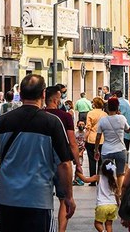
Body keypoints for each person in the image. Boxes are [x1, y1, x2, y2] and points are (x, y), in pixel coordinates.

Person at [0, 75, 75, 232]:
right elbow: (64, 164)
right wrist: (68, 197)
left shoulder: (3, 122)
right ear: (43, 94)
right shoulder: (52, 123)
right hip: (38, 199)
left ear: (21, 94)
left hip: (7, 198)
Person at [45, 85, 83, 232]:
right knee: (64, 200)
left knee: (45, 199)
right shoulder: (65, 116)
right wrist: (78, 163)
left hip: (44, 161)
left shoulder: (40, 115)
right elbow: (72, 142)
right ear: (56, 98)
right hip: (62, 161)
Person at [94, 97, 130, 188]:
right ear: (117, 107)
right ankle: (119, 193)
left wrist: (96, 149)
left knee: (108, 173)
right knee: (120, 173)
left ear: (107, 108)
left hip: (107, 152)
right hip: (120, 150)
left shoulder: (103, 120)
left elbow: (98, 137)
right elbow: (128, 130)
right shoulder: (122, 118)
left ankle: (110, 192)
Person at [77, 159, 120, 232]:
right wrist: (118, 203)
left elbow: (86, 180)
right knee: (109, 224)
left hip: (102, 205)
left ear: (101, 168)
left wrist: (78, 173)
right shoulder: (114, 180)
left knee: (97, 223)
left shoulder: (98, 177)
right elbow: (117, 193)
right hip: (113, 205)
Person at [86, 97, 108, 181]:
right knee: (101, 160)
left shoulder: (90, 113)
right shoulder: (105, 114)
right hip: (102, 139)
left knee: (91, 160)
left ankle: (92, 179)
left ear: (94, 104)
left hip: (91, 139)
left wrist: (84, 138)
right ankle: (99, 178)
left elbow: (88, 127)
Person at [74, 121, 87, 186]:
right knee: (78, 165)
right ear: (77, 125)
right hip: (76, 151)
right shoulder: (75, 134)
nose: (81, 125)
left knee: (79, 165)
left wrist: (81, 152)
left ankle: (76, 179)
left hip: (81, 151)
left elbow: (85, 144)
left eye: (83, 124)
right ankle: (77, 179)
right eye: (80, 124)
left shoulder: (85, 134)